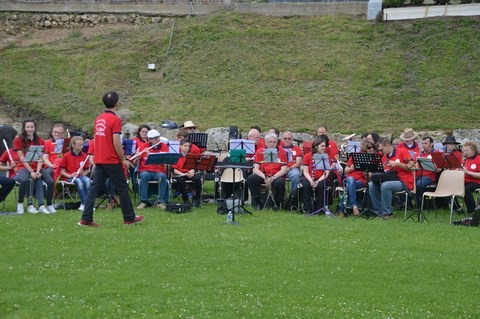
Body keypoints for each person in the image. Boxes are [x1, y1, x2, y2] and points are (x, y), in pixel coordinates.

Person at [78, 91, 144, 226]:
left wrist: (94, 154)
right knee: (123, 188)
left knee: (94, 189)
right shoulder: (115, 120)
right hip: (111, 160)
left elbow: (96, 139)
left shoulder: (98, 118)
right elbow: (116, 142)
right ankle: (129, 218)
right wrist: (123, 159)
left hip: (100, 159)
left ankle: (86, 218)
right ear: (117, 103)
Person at [13, 119, 56, 215]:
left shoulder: (40, 140)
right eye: (28, 127)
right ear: (24, 128)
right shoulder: (18, 139)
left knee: (50, 181)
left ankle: (48, 205)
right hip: (23, 166)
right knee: (24, 180)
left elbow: (40, 157)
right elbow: (22, 158)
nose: (30, 129)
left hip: (37, 166)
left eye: (32, 127)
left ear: (35, 128)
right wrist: (31, 171)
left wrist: (37, 171)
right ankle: (20, 203)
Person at [368, 137, 415, 218]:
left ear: (386, 145)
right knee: (371, 185)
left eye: (381, 150)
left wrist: (397, 164)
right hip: (389, 180)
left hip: (403, 181)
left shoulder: (402, 151)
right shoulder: (384, 157)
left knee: (385, 186)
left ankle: (387, 213)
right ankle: (378, 212)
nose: (380, 152)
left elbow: (412, 167)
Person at [247, 132, 288, 210]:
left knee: (280, 183)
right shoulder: (260, 151)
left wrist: (273, 178)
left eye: (274, 142)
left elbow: (284, 169)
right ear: (266, 142)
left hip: (276, 175)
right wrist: (265, 177)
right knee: (251, 179)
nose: (272, 144)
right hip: (263, 174)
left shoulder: (282, 152)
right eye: (270, 142)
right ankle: (258, 202)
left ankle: (277, 203)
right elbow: (255, 168)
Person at [337, 140, 375, 217]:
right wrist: (351, 168)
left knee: (349, 186)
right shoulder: (355, 156)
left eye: (373, 147)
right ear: (364, 148)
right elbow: (345, 171)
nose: (372, 149)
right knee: (351, 180)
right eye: (369, 147)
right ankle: (354, 206)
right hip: (350, 179)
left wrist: (365, 170)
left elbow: (369, 176)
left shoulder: (373, 159)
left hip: (361, 182)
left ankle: (343, 210)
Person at [134, 129, 169, 210]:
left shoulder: (164, 146)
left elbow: (164, 161)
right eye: (153, 138)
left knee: (162, 177)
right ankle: (143, 201)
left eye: (157, 138)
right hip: (145, 170)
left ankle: (160, 201)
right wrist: (137, 158)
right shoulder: (143, 146)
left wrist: (150, 155)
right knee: (145, 176)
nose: (157, 140)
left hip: (158, 171)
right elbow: (135, 163)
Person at [301, 136, 337, 214]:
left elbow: (326, 173)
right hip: (310, 178)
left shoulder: (326, 157)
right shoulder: (308, 156)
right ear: (316, 146)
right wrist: (311, 181)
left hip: (321, 178)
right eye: (322, 146)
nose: (324, 148)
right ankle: (307, 208)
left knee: (321, 186)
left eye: (325, 146)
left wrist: (317, 181)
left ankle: (319, 209)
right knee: (305, 185)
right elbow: (305, 171)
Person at [60, 136, 91, 211]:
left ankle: (84, 204)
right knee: (79, 182)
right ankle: (87, 205)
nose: (81, 147)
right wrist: (70, 175)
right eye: (79, 145)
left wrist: (83, 173)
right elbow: (62, 171)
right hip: (69, 177)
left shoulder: (84, 155)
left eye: (82, 145)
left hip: (79, 176)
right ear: (73, 145)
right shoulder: (67, 155)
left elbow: (87, 170)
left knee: (87, 181)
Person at [171, 138, 203, 207]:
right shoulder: (176, 156)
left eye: (188, 146)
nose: (187, 148)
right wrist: (182, 174)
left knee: (197, 179)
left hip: (189, 173)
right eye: (185, 146)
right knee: (181, 180)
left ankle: (197, 199)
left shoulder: (191, 156)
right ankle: (186, 199)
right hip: (180, 174)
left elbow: (195, 167)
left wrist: (192, 171)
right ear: (180, 146)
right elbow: (174, 170)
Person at [415, 136, 438, 205]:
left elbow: (439, 168)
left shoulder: (436, 153)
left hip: (429, 177)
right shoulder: (419, 154)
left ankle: (418, 204)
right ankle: (408, 204)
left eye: (425, 143)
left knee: (419, 184)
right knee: (407, 183)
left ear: (431, 144)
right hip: (417, 175)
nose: (423, 145)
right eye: (422, 143)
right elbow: (414, 165)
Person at [462, 141, 480, 215]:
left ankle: (473, 210)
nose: (464, 152)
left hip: (476, 181)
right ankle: (457, 208)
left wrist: (468, 172)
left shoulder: (478, 159)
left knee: (466, 189)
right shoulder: (466, 159)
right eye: (464, 150)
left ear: (473, 150)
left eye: (467, 150)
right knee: (453, 185)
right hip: (466, 180)